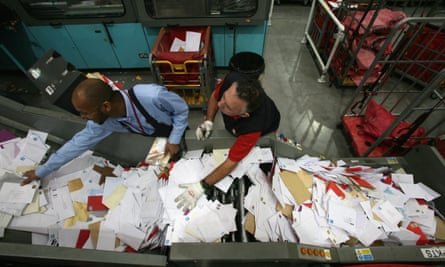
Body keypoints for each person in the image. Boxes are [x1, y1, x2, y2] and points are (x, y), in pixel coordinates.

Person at [21, 78, 189, 185]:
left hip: (180, 127)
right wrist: (41, 171)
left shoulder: (151, 95)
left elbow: (182, 110)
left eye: (85, 113)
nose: (83, 118)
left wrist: (174, 139)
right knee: (166, 174)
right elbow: (75, 145)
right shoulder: (102, 123)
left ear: (106, 106)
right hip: (159, 137)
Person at [175, 71, 280, 211]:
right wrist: (208, 121)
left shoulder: (253, 126)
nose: (220, 104)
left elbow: (231, 162)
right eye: (224, 97)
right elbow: (215, 96)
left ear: (244, 114)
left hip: (266, 128)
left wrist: (201, 186)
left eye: (227, 106)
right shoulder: (233, 81)